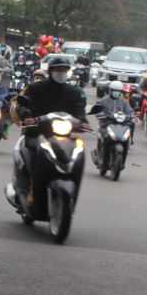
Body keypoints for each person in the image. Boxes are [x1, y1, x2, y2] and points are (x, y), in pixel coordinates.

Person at [15, 57, 91, 198]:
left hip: (64, 135)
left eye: (64, 70)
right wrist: (27, 116)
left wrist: (83, 121)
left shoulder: (74, 92)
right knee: (33, 149)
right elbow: (23, 105)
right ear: (50, 71)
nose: (61, 73)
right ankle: (29, 187)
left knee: (78, 152)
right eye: (58, 70)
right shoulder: (35, 88)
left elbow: (79, 110)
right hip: (38, 131)